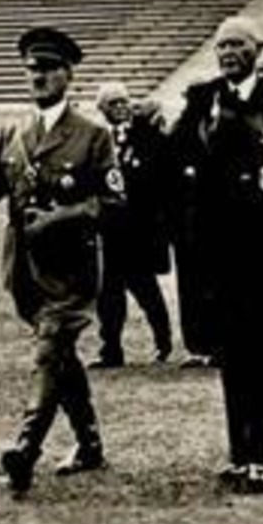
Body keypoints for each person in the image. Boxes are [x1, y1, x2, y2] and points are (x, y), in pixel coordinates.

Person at [0, 27, 122, 496]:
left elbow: (113, 202)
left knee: (48, 352)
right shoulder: (13, 131)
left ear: (68, 74)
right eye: (32, 70)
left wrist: (59, 218)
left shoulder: (93, 135)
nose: (38, 77)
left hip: (73, 271)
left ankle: (25, 451)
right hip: (25, 272)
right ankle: (89, 444)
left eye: (47, 69)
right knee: (61, 357)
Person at [167, 16, 263, 494]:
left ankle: (262, 457)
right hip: (220, 253)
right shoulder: (203, 99)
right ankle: (238, 454)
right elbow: (173, 161)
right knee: (232, 355)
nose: (228, 52)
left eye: (238, 44)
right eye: (221, 45)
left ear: (257, 49)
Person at [90, 83, 174, 368]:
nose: (121, 107)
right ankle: (111, 349)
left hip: (140, 229)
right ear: (102, 109)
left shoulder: (149, 137)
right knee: (109, 294)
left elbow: (161, 179)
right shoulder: (98, 140)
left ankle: (164, 343)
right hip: (109, 229)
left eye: (124, 101)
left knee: (146, 290)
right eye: (113, 103)